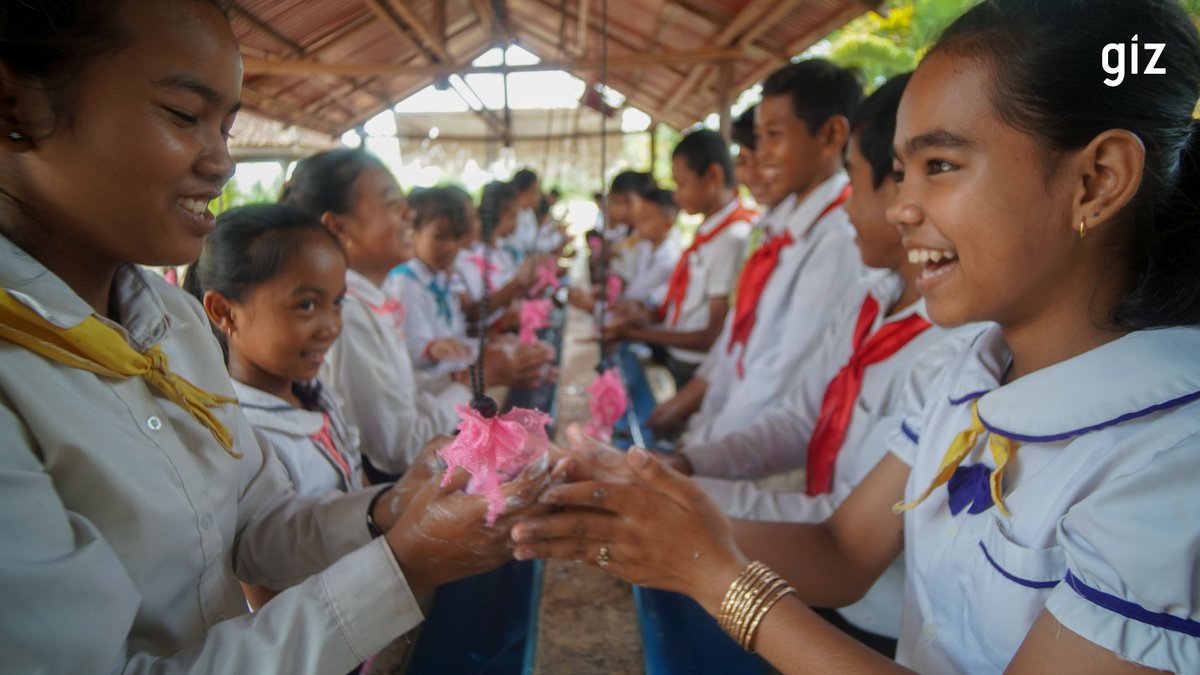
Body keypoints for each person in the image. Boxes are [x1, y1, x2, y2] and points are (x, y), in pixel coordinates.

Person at [512, 0, 1200, 672]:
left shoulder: (1168, 465)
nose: (902, 207)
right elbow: (842, 549)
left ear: (1096, 181)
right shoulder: (968, 372)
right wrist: (648, 513)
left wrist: (712, 571)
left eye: (940, 166)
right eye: (901, 172)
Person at [0, 1, 555, 672]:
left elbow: (254, 519)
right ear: (15, 107)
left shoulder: (168, 323)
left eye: (227, 126)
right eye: (183, 116)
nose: (223, 162)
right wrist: (404, 564)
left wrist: (390, 506)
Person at [668, 74, 971, 654]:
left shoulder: (958, 347)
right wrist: (688, 464)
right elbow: (796, 418)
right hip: (808, 567)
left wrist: (685, 506)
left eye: (854, 179)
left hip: (883, 616)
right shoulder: (870, 300)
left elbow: (843, 535)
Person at [650, 59, 867, 442]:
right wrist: (689, 406)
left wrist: (705, 449)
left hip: (758, 447)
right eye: (759, 137)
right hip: (725, 429)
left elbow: (781, 378)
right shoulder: (780, 229)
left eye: (774, 135)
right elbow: (737, 340)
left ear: (831, 134)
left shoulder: (839, 241)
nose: (761, 153)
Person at [281, 149, 464, 479]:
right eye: (394, 203)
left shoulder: (374, 298)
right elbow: (398, 450)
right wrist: (463, 390)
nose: (410, 213)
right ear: (338, 226)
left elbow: (400, 396)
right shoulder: (347, 315)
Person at [604, 129, 754, 387]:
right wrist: (646, 316)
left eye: (682, 183)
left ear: (713, 176)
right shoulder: (709, 233)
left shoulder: (732, 238)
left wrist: (636, 332)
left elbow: (712, 336)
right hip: (681, 357)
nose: (676, 195)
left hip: (697, 367)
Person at [385, 186, 477, 375]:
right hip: (424, 387)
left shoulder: (439, 276)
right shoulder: (406, 284)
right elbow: (412, 352)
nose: (451, 247)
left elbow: (453, 334)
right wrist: (432, 349)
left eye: (456, 237)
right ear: (413, 233)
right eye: (440, 237)